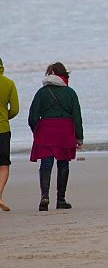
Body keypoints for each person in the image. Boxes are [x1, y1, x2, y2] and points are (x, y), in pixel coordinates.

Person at [28, 62, 83, 211]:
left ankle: (44, 196)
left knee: (46, 163)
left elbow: (32, 117)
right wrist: (79, 137)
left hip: (46, 131)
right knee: (63, 164)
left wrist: (37, 131)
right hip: (65, 132)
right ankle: (61, 199)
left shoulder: (41, 92)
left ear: (51, 73)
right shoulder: (70, 93)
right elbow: (77, 117)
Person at [0, 57, 19, 211]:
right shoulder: (9, 83)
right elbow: (14, 109)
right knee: (3, 165)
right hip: (2, 129)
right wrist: (4, 117)